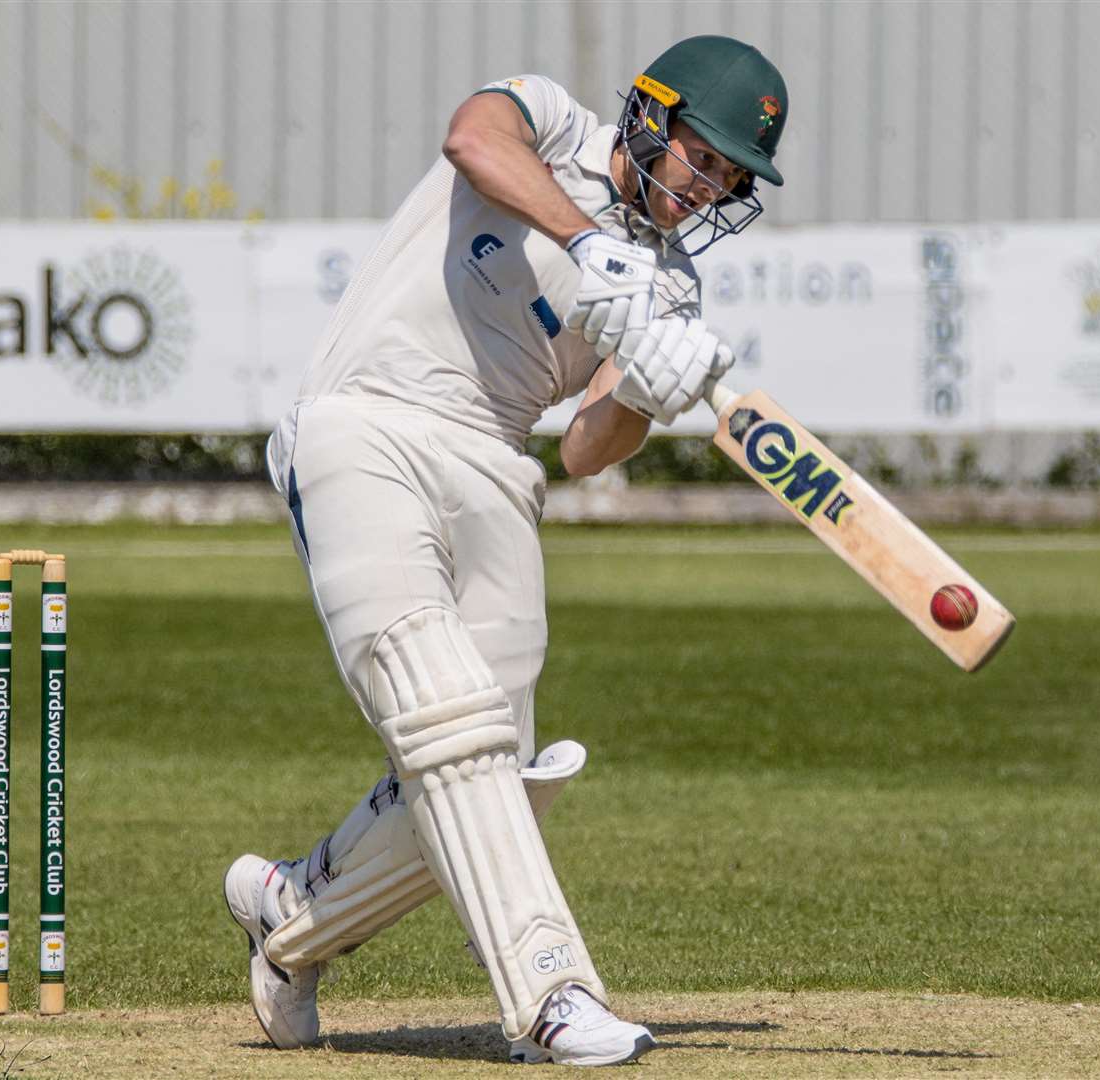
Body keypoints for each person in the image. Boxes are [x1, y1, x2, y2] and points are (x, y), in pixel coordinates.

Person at [224, 34, 789, 1067]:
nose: (707, 189)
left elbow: (582, 447)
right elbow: (471, 138)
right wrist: (586, 242)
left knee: (497, 774)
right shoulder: (555, 120)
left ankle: (287, 917)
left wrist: (646, 397)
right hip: (367, 419)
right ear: (650, 118)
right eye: (700, 158)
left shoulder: (668, 290)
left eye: (729, 178)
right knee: (448, 720)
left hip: (496, 462)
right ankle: (553, 996)